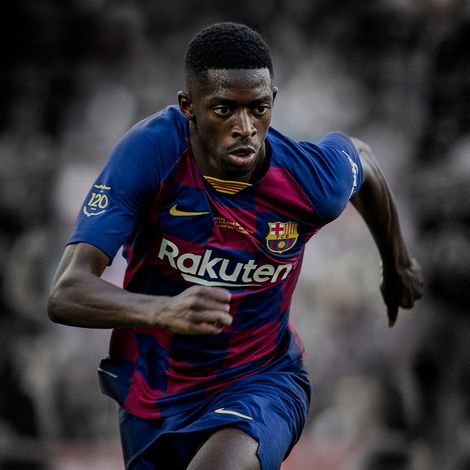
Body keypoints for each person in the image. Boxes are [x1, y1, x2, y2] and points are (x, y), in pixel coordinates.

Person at [48, 22, 423, 470]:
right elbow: (66, 292)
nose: (245, 127)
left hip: (263, 381)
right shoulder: (150, 153)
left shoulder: (309, 180)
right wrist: (162, 310)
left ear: (273, 102)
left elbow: (365, 164)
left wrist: (397, 264)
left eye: (258, 108)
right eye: (224, 109)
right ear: (188, 106)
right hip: (155, 394)